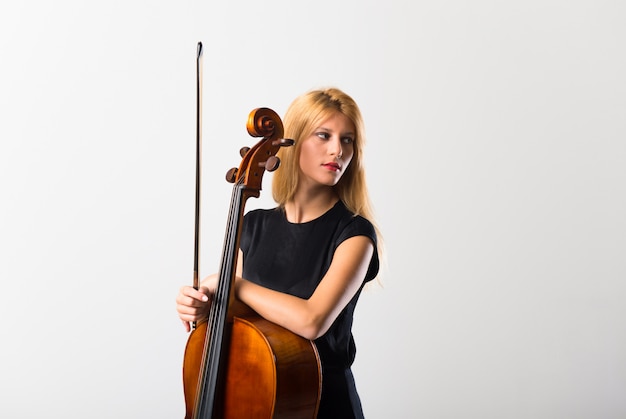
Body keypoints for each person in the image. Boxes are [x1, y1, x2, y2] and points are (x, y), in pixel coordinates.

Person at [176, 87, 381, 418]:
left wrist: (233, 284)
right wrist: (203, 310)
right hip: (260, 402)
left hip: (322, 406)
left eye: (347, 140)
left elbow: (313, 321)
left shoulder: (355, 234)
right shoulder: (254, 224)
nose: (337, 150)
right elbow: (239, 318)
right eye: (324, 135)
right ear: (294, 141)